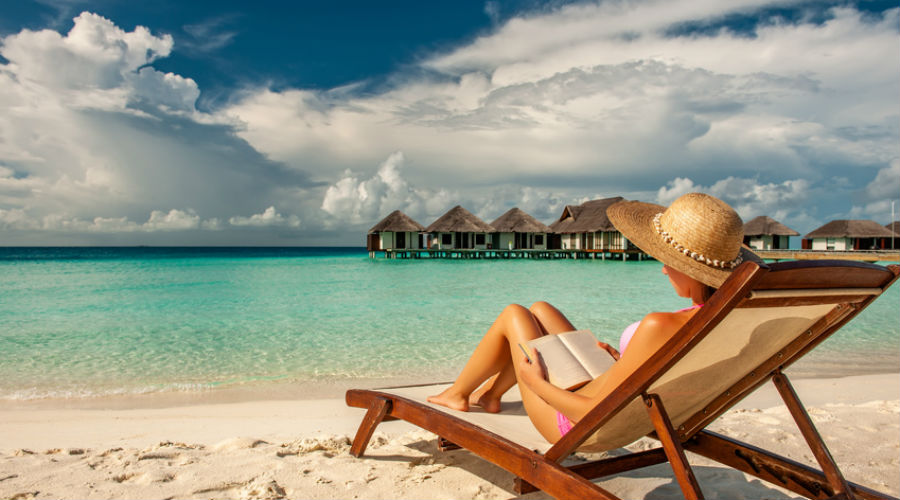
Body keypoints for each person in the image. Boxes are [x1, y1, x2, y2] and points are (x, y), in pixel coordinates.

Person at [427, 192, 759, 443]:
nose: (663, 268)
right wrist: (621, 361)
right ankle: (491, 395)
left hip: (578, 424)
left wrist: (534, 383)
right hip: (617, 401)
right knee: (541, 309)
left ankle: (459, 394)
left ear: (694, 272)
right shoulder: (719, 321)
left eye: (668, 261)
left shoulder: (662, 325)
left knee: (514, 314)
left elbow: (590, 413)